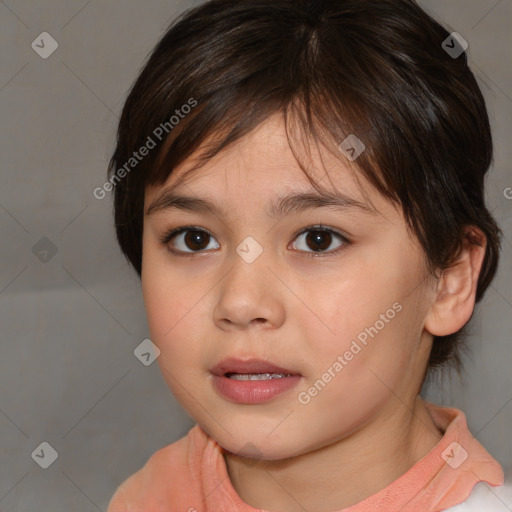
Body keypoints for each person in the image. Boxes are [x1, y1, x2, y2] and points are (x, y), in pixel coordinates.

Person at [104, 0, 510, 510]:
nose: (241, 300)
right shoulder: (147, 495)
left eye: (319, 239)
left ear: (449, 277)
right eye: (194, 238)